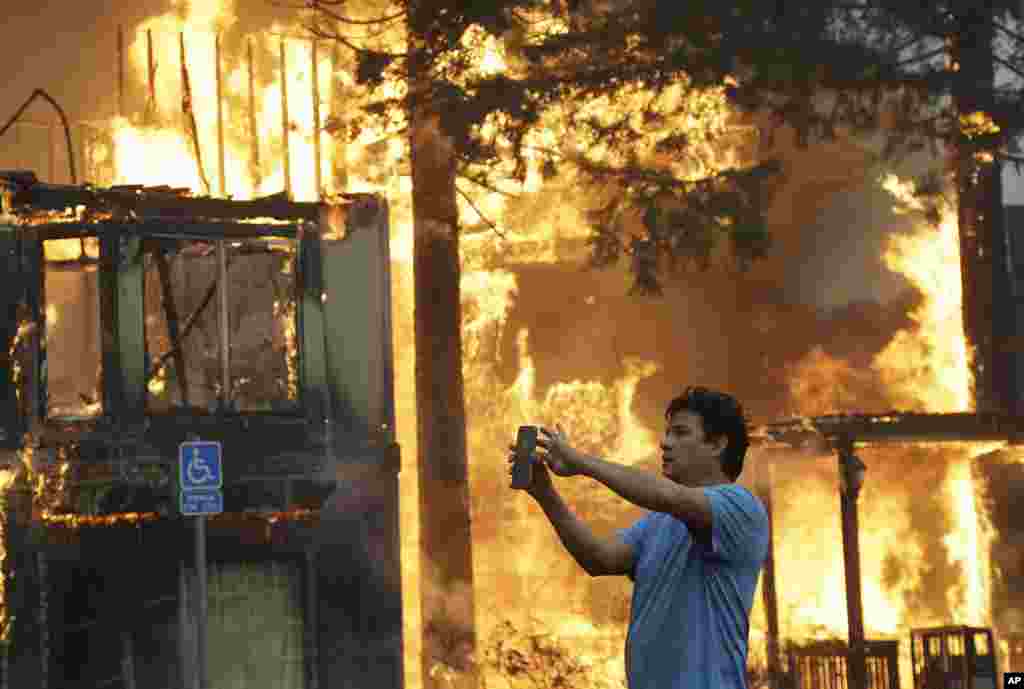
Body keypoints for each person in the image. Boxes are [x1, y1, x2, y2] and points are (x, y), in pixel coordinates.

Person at [508, 386, 769, 689]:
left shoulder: (740, 507)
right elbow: (598, 558)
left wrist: (580, 462)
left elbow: (665, 495)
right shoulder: (659, 522)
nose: (665, 443)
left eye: (680, 433)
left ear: (717, 444)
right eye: (667, 433)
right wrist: (545, 493)